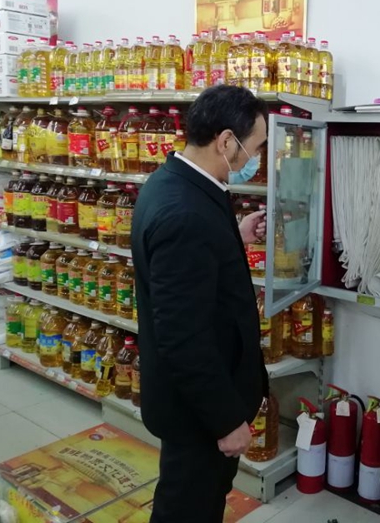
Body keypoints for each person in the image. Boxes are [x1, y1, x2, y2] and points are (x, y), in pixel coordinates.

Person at [132, 85, 270, 523]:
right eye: (256, 147)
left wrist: (233, 234)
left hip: (192, 402)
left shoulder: (175, 182)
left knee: (196, 500)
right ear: (226, 141)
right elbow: (183, 336)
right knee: (189, 506)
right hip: (198, 414)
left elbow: (191, 262)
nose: (256, 158)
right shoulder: (185, 215)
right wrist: (226, 420)